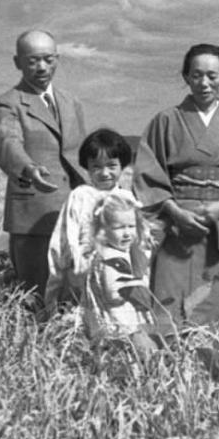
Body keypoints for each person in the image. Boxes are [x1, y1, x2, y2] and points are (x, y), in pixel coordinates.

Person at [133, 44, 219, 334]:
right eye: (196, 75)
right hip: (176, 225)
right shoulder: (165, 121)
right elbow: (147, 171)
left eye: (212, 76)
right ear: (186, 77)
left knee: (215, 299)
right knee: (170, 297)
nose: (204, 83)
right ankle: (168, 369)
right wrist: (173, 210)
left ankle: (212, 372)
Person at [0, 29, 87, 317]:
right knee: (34, 295)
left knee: (73, 291)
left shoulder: (72, 102)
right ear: (17, 62)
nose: (42, 67)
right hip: (33, 212)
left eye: (48, 59)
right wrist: (29, 169)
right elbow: (7, 142)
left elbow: (82, 153)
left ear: (57, 59)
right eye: (32, 61)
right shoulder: (8, 103)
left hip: (74, 210)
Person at [43, 128, 136, 311]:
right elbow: (64, 237)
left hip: (118, 276)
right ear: (87, 167)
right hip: (83, 274)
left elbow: (137, 240)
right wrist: (68, 269)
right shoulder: (80, 196)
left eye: (111, 166)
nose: (104, 173)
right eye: (96, 167)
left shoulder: (127, 198)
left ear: (122, 166)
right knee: (80, 316)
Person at [82, 191, 158, 356]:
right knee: (130, 353)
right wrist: (139, 286)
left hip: (121, 319)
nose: (126, 233)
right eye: (118, 228)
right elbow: (113, 295)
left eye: (131, 226)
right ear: (103, 229)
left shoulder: (118, 252)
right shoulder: (110, 257)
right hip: (120, 322)